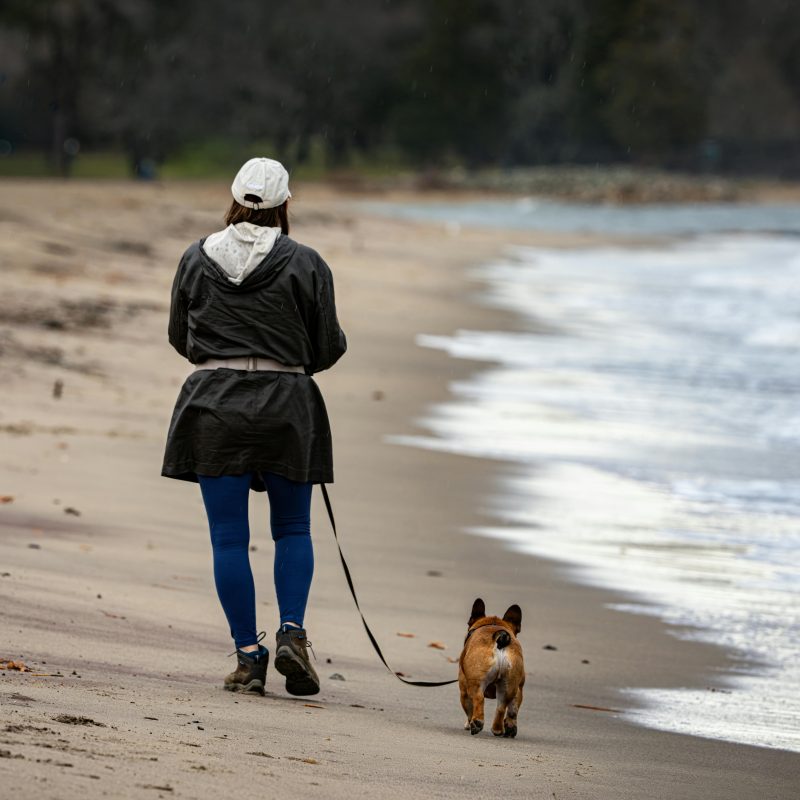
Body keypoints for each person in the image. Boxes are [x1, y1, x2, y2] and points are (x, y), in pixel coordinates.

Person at [161, 157, 347, 697]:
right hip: (287, 405)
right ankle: (292, 631)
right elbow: (328, 346)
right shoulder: (306, 262)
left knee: (228, 539)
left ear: (235, 199)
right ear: (286, 204)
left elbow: (181, 336)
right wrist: (286, 359)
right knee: (292, 529)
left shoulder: (195, 258)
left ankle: (248, 654)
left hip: (213, 404)